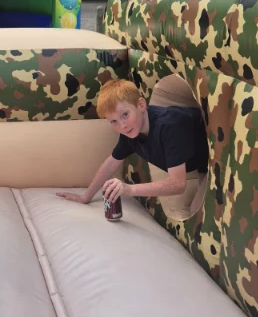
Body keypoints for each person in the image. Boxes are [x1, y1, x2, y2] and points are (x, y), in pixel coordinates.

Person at [58, 78, 209, 221]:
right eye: (114, 121)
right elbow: (111, 163)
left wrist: (129, 189)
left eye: (125, 115)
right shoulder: (130, 132)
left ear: (141, 105)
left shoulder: (169, 126)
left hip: (217, 158)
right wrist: (86, 197)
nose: (122, 125)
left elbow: (177, 184)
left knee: (201, 214)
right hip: (201, 165)